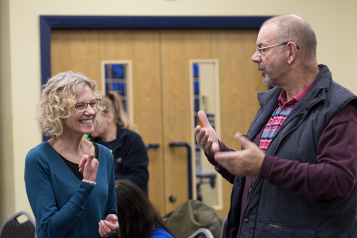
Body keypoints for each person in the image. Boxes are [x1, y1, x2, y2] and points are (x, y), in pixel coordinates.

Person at [195, 14, 357, 238]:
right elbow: (260, 176)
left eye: (263, 49)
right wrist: (218, 153)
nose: (254, 57)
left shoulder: (339, 109)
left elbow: (338, 181)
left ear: (290, 52)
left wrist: (264, 165)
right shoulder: (274, 104)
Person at [25, 71, 119, 238]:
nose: (90, 111)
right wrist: (87, 184)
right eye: (80, 105)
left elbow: (110, 213)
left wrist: (112, 226)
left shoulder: (104, 155)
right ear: (59, 111)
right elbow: (49, 231)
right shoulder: (39, 159)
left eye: (92, 103)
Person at [90, 91, 149, 195]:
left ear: (109, 118)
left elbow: (139, 181)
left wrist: (101, 176)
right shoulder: (91, 143)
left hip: (127, 204)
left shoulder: (132, 140)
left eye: (93, 118)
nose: (89, 123)